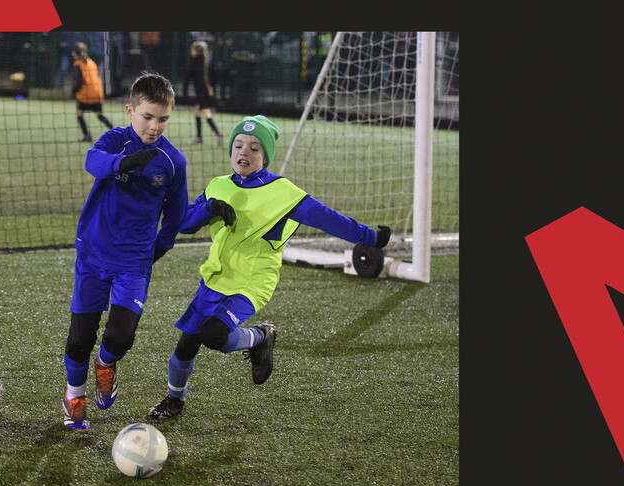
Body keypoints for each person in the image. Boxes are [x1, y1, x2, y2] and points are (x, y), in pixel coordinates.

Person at [147, 115, 391, 421]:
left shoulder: (284, 193)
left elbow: (328, 218)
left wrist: (371, 238)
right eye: (238, 145)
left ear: (266, 157)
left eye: (254, 148)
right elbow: (183, 224)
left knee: (213, 334)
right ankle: (174, 400)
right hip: (215, 279)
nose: (244, 152)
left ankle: (262, 336)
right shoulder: (218, 186)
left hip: (252, 282)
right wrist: (209, 208)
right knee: (185, 346)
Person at [61, 71, 188, 430]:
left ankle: (106, 364)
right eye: (148, 117)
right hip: (94, 254)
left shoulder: (173, 161)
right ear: (131, 111)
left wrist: (158, 249)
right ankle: (74, 396)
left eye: (163, 119)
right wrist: (123, 162)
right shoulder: (114, 140)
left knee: (120, 337)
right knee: (79, 337)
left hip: (133, 262)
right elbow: (93, 162)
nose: (155, 126)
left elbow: (175, 216)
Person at [70, 41, 115, 143]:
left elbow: (79, 81)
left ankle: (87, 136)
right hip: (97, 92)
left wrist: (74, 92)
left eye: (73, 52)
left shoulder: (77, 64)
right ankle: (116, 131)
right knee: (99, 115)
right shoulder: (92, 62)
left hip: (86, 94)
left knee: (79, 114)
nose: (72, 54)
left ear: (76, 53)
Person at [184, 41, 223, 145]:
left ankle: (217, 135)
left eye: (192, 49)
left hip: (201, 93)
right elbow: (216, 77)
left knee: (206, 113)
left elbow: (188, 77)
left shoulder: (195, 62)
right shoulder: (207, 62)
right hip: (205, 92)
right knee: (198, 112)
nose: (191, 51)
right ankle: (200, 138)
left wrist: (185, 91)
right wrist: (211, 87)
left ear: (196, 51)